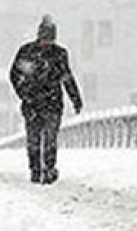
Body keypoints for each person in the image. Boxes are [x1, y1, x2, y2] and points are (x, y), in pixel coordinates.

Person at [9, 15, 83, 184]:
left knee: (50, 138)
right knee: (33, 138)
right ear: (39, 36)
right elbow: (14, 75)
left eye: (49, 39)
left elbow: (67, 78)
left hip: (52, 104)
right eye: (44, 39)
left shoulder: (59, 55)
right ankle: (35, 169)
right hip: (32, 103)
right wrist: (24, 93)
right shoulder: (27, 52)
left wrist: (75, 98)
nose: (46, 43)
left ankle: (49, 168)